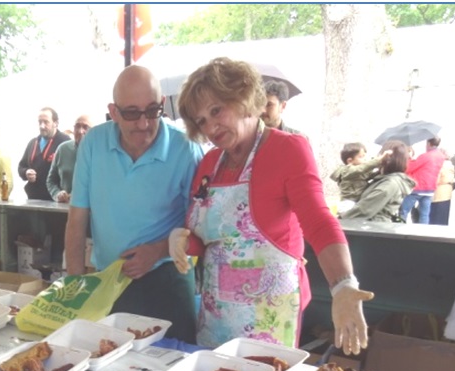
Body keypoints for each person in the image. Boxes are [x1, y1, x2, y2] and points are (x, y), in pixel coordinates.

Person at [170, 58, 372, 353]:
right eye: (201, 120)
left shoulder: (287, 149)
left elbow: (319, 222)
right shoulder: (210, 163)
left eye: (217, 110)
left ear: (244, 99)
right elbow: (209, 240)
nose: (211, 125)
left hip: (269, 315)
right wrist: (183, 242)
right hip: (216, 316)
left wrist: (343, 285)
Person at [65, 65, 203, 344]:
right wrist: (75, 287)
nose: (143, 124)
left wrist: (158, 250)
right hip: (109, 281)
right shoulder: (93, 143)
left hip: (168, 280)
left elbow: (202, 227)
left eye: (152, 111)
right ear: (113, 112)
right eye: (131, 113)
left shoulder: (185, 149)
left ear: (163, 104)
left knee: (173, 367)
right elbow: (77, 219)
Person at [340, 141, 416, 224]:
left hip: (373, 228)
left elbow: (363, 210)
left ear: (387, 158)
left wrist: (339, 219)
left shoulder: (389, 184)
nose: (378, 157)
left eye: (380, 154)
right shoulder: (384, 178)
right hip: (371, 226)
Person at [17, 106, 70, 201]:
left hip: (56, 200)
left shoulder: (65, 143)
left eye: (46, 122)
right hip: (33, 199)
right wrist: (26, 172)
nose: (42, 126)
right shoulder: (33, 143)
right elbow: (21, 167)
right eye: (40, 122)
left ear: (56, 123)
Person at [398, 137, 446, 224]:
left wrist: (408, 159)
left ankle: (398, 230)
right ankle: (423, 234)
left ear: (428, 143)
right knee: (424, 215)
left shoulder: (426, 156)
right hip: (430, 189)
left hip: (418, 188)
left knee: (403, 211)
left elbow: (409, 168)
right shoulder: (441, 156)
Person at [46, 114, 93, 203]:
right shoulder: (62, 149)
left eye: (86, 127)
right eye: (77, 126)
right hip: (66, 209)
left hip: (93, 211)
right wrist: (57, 194)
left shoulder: (101, 152)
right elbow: (51, 181)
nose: (80, 131)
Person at [329, 142, 382, 213]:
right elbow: (362, 168)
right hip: (348, 202)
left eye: (364, 156)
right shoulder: (347, 170)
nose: (365, 159)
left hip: (357, 201)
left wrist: (380, 170)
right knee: (348, 221)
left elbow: (370, 175)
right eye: (361, 157)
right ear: (350, 161)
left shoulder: (360, 171)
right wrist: (378, 161)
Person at [430, 150, 455, 226]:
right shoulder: (450, 164)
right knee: (443, 219)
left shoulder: (441, 165)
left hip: (439, 194)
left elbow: (436, 179)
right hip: (446, 194)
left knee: (435, 219)